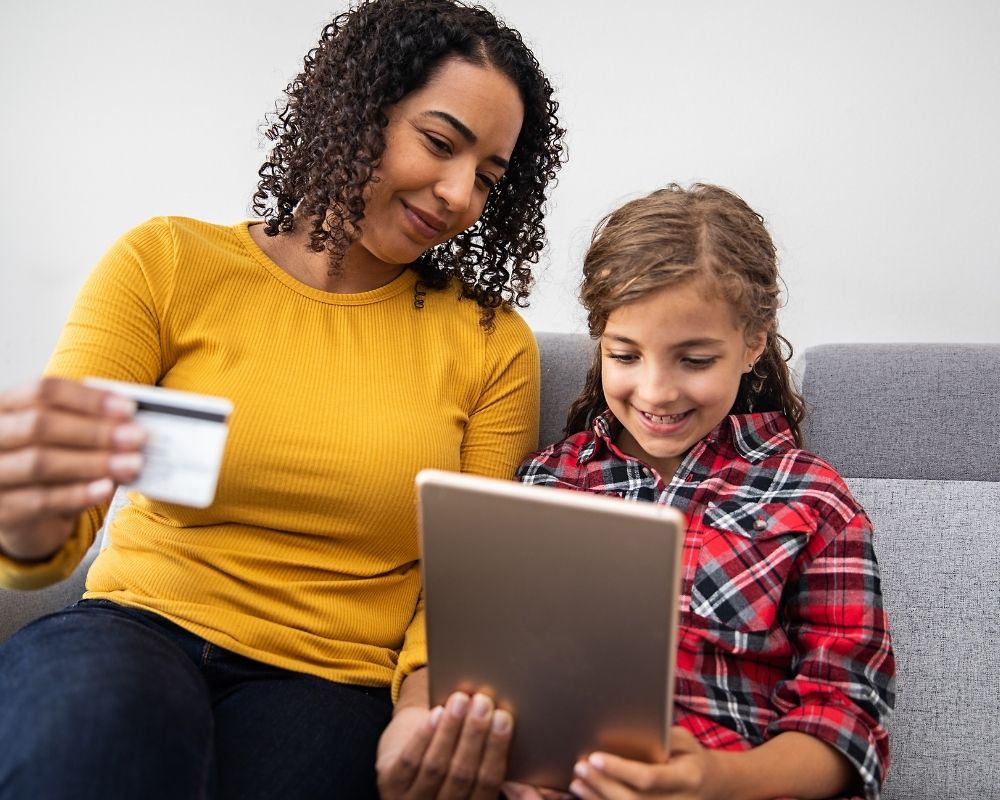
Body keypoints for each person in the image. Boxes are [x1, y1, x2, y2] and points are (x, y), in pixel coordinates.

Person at [0, 1, 564, 797]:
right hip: (137, 629)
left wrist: (420, 705)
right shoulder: (165, 263)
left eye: (488, 178)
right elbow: (51, 535)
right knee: (92, 744)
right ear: (362, 109)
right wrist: (25, 513)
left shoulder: (490, 341)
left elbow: (467, 583)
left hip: (330, 682)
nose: (458, 193)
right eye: (440, 144)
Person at [516, 184, 895, 800]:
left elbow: (848, 716)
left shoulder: (813, 500)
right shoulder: (548, 483)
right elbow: (503, 666)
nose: (657, 391)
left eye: (694, 360)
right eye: (626, 355)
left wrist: (720, 780)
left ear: (752, 344)